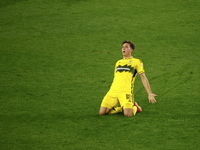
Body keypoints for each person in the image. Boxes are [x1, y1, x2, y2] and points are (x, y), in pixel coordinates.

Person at [99, 40, 157, 117]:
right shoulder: (118, 62)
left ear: (131, 50)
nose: (123, 49)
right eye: (123, 47)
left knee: (128, 114)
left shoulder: (136, 62)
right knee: (102, 112)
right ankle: (121, 108)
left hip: (126, 91)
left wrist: (149, 93)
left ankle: (135, 107)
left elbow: (143, 77)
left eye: (126, 47)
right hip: (113, 90)